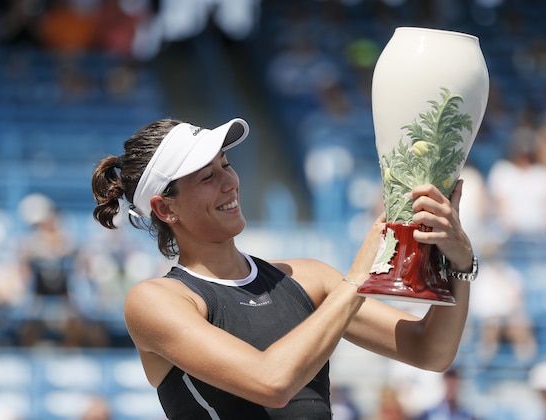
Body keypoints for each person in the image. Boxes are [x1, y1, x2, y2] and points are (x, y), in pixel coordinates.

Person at [90, 117, 475, 419]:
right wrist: (359, 278)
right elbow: (271, 382)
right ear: (165, 208)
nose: (230, 183)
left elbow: (431, 351)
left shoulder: (308, 277)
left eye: (226, 165)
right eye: (208, 177)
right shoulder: (155, 300)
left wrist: (458, 263)